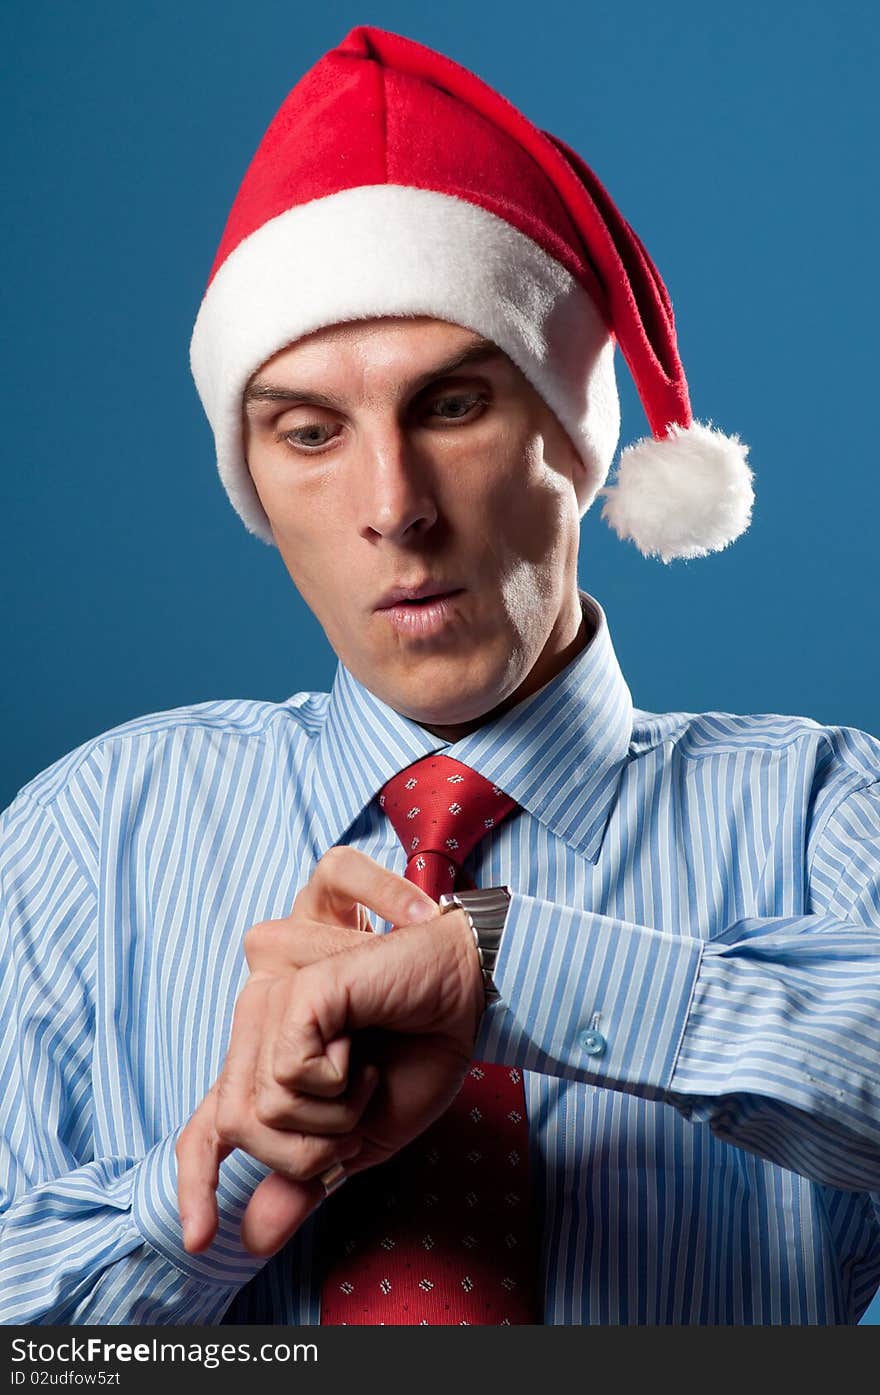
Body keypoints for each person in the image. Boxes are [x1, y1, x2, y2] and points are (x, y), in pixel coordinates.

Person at [1, 23, 879, 1327]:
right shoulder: (88, 836)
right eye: (310, 432)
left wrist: (506, 973)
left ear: (576, 446)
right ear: (257, 484)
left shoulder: (823, 815)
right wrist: (214, 1190)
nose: (393, 507)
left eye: (453, 407)